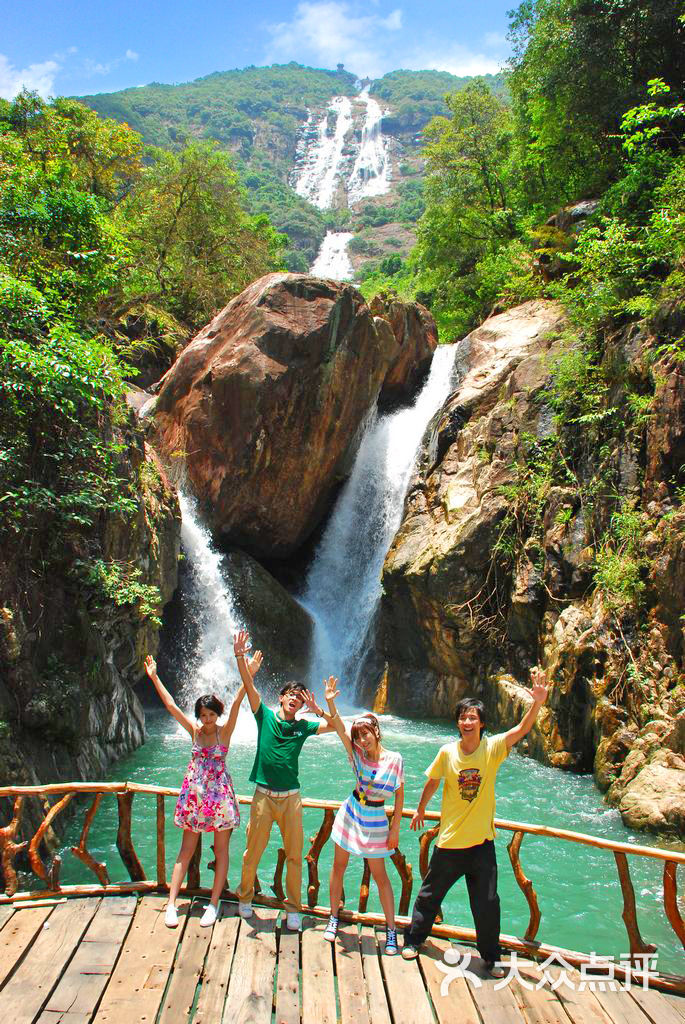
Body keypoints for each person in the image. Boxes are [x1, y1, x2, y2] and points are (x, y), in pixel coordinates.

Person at [402, 667, 550, 974]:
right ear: (457, 723)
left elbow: (521, 730)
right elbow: (432, 782)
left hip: (482, 844)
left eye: (472, 717)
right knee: (430, 896)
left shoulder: (492, 748)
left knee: (487, 906)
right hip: (451, 841)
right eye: (462, 717)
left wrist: (537, 702)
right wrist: (419, 809)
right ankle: (413, 941)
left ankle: (491, 959)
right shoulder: (447, 752)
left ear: (482, 723)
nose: (467, 722)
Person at [144, 648, 262, 928]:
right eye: (203, 715)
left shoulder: (225, 731)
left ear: (217, 715)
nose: (208, 719)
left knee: (221, 852)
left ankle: (213, 903)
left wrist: (250, 674)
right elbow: (172, 706)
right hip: (195, 799)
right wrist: (154, 677)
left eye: (211, 714)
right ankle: (171, 904)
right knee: (185, 851)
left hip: (220, 798)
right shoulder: (195, 733)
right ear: (198, 716)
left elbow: (236, 702)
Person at [233, 629, 338, 931]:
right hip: (263, 796)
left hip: (291, 798)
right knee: (253, 851)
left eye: (299, 698)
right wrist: (240, 656)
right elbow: (249, 685)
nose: (294, 699)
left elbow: (338, 728)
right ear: (280, 698)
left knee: (294, 856)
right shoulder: (263, 715)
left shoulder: (304, 726)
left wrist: (320, 708)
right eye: (290, 694)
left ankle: (293, 908)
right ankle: (245, 897)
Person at [322, 681, 404, 955]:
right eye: (359, 736)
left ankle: (391, 930)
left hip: (376, 819)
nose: (362, 740)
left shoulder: (395, 759)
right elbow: (339, 729)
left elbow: (400, 795)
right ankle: (334, 917)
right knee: (338, 867)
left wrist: (395, 829)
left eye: (366, 734)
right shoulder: (356, 754)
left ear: (376, 732)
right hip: (351, 813)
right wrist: (330, 702)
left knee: (380, 875)